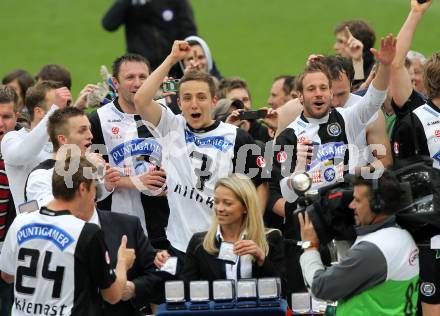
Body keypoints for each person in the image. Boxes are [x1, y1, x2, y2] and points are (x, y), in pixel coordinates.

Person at [133, 40, 267, 261]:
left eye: (201, 97)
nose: (194, 104)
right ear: (179, 103)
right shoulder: (171, 127)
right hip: (180, 245)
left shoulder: (236, 137)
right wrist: (172, 59)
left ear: (214, 101)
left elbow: (260, 185)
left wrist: (251, 229)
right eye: (187, 98)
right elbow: (140, 99)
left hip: (225, 244)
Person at [0, 156, 136, 315]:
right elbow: (112, 295)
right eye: (94, 189)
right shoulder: (87, 232)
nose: (95, 198)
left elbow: (7, 276)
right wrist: (122, 262)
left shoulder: (20, 222)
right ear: (83, 188)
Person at [299, 170, 419, 315]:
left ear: (377, 205)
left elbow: (320, 288)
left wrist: (310, 246)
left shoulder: (373, 249)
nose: (351, 206)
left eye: (357, 200)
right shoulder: (402, 236)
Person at [88, 53, 170, 243]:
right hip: (117, 224)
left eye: (143, 77)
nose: (138, 83)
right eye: (130, 77)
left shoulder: (164, 114)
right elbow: (94, 176)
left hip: (162, 223)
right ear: (115, 83)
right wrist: (136, 181)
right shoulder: (98, 120)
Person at [181, 174, 284, 284]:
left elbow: (282, 287)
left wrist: (262, 259)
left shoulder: (271, 238)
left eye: (227, 203)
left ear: (245, 207)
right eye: (216, 202)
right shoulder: (199, 242)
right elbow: (186, 289)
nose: (219, 208)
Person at [25, 107, 118, 208]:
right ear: (62, 139)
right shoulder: (40, 175)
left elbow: (89, 199)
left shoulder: (80, 168)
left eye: (89, 129)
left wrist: (106, 185)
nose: (90, 135)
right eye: (82, 131)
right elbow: (50, 211)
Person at [1, 80, 70, 210]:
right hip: (31, 228)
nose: (64, 112)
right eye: (57, 106)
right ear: (39, 112)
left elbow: (84, 191)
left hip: (65, 226)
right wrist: (54, 111)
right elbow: (23, 154)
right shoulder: (12, 139)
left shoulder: (67, 143)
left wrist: (106, 185)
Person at [102, 0, 197, 72]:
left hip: (172, 67)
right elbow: (109, 24)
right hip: (140, 69)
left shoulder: (176, 2)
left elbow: (189, 31)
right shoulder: (131, 4)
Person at [0, 85, 20, 316]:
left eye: (6, 117)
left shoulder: (26, 150)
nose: (1, 124)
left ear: (17, 115)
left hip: (12, 253)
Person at [334, 19, 376, 87]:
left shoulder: (376, 74)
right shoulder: (340, 67)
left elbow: (359, 95)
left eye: (341, 41)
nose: (335, 47)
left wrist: (357, 62)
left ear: (357, 44)